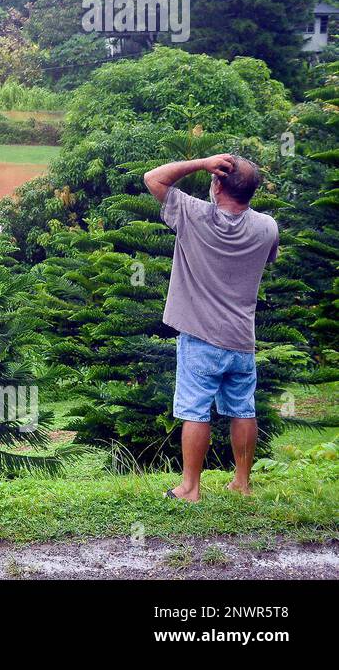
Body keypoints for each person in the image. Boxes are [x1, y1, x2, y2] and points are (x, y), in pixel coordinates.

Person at [143, 154, 279, 503]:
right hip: (242, 339)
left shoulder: (195, 215)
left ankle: (190, 488)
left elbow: (153, 177)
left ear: (217, 184)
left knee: (194, 411)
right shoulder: (267, 227)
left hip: (200, 336)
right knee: (243, 409)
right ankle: (243, 483)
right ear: (251, 192)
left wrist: (202, 162)